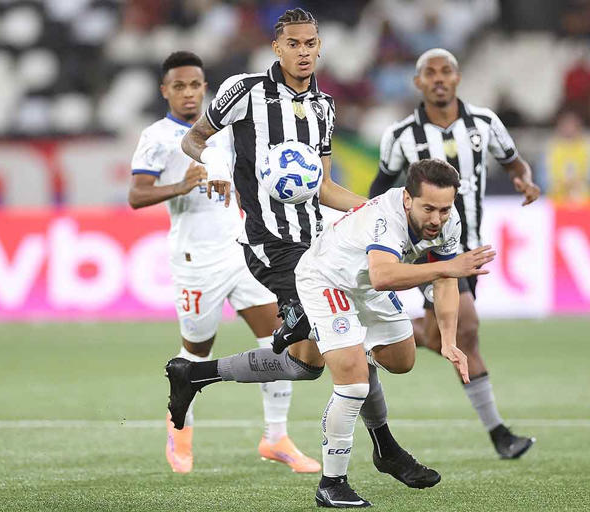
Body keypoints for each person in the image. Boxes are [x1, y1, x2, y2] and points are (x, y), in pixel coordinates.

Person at [176, 7, 439, 494]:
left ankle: (195, 374)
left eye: (310, 43)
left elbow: (325, 187)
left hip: (320, 242)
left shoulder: (324, 107)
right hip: (271, 245)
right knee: (345, 352)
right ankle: (381, 451)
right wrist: (212, 166)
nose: (303, 52)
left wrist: (381, 210)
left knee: (311, 362)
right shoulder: (244, 90)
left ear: (320, 47)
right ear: (277, 47)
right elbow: (194, 139)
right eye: (293, 44)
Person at [166, 159, 496, 507]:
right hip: (326, 279)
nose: (437, 219)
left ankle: (195, 374)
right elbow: (387, 275)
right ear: (407, 198)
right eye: (428, 209)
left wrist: (448, 340)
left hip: (365, 284)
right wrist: (448, 267)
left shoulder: (449, 221)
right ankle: (332, 484)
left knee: (398, 361)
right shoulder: (386, 217)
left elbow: (445, 281)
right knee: (352, 382)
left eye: (444, 210)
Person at [128, 51, 318, 474]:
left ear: (205, 88)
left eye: (195, 85)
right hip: (196, 260)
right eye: (179, 86)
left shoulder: (226, 129)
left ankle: (276, 437)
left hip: (242, 250)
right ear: (165, 91)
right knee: (196, 351)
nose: (189, 93)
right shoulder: (157, 136)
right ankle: (180, 430)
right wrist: (179, 186)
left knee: (277, 341)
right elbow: (136, 195)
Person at [369, 48, 539, 460]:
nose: (439, 78)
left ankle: (369, 335)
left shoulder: (485, 123)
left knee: (438, 335)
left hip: (470, 247)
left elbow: (514, 163)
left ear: (458, 77)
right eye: (430, 73)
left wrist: (525, 181)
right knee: (468, 328)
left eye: (446, 71)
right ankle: (499, 433)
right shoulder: (400, 135)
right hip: (428, 249)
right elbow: (379, 190)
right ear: (419, 82)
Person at [537, 110, 590, 208]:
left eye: (572, 125)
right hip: (555, 202)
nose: (569, 129)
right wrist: (561, 185)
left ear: (579, 127)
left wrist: (578, 183)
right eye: (566, 125)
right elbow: (542, 180)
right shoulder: (550, 149)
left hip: (585, 202)